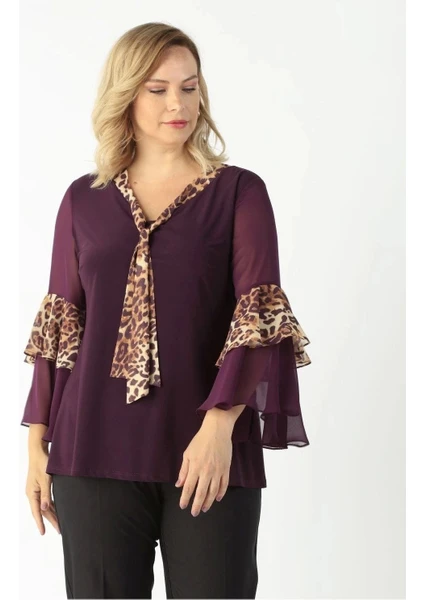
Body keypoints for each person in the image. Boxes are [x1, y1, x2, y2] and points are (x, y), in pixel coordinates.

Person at [21, 22, 312, 599]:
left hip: (207, 451)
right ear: (125, 94)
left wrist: (220, 424)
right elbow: (62, 324)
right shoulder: (83, 199)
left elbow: (258, 317)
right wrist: (36, 444)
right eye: (157, 89)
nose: (177, 104)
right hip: (90, 450)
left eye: (189, 87)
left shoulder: (238, 192)